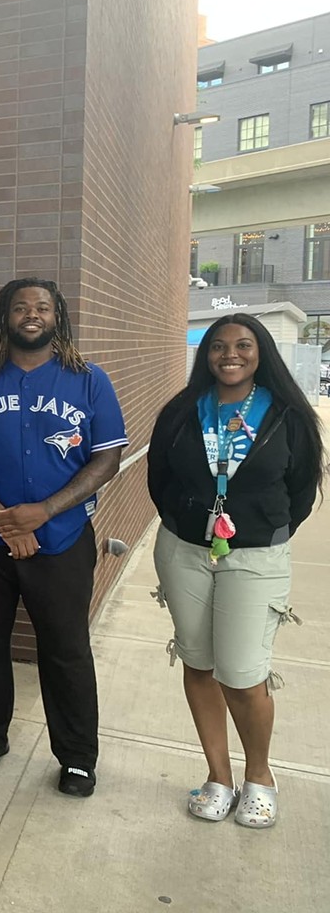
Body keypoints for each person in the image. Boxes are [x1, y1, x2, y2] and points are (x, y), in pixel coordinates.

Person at [0, 278, 126, 798]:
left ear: (57, 316)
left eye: (42, 307)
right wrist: (2, 517)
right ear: (4, 317)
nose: (32, 314)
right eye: (21, 307)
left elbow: (106, 457)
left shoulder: (89, 381)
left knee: (65, 648)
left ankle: (78, 757)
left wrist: (43, 511)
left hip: (62, 537)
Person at [148, 313, 321, 828]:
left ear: (260, 352)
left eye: (243, 345)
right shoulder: (182, 411)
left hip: (255, 556)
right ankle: (218, 776)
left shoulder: (287, 414)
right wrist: (186, 521)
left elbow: (302, 489)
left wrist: (254, 528)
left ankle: (260, 777)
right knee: (199, 663)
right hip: (184, 551)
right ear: (206, 355)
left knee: (243, 675)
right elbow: (159, 477)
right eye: (218, 346)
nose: (230, 354)